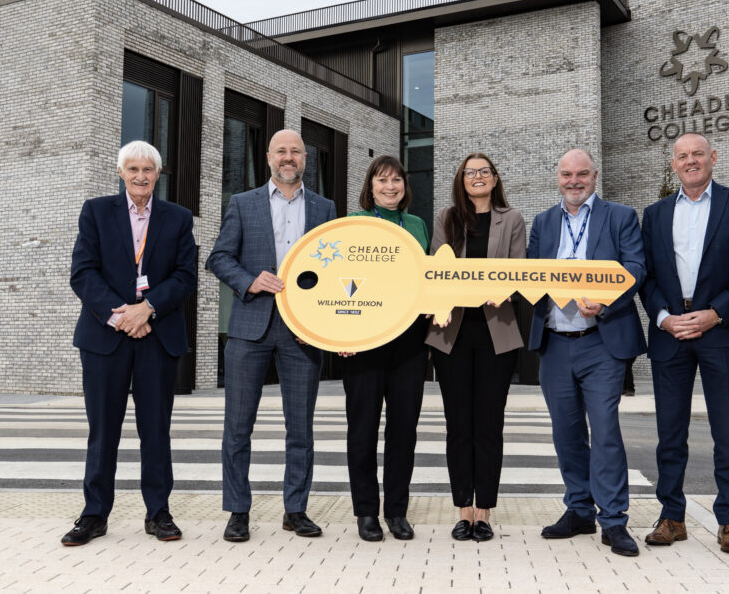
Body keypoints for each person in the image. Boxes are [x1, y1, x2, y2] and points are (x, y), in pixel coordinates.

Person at [206, 129, 336, 543]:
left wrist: (322, 323)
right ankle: (238, 511)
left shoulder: (325, 208)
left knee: (300, 429)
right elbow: (218, 257)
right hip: (250, 328)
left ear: (305, 159)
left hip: (302, 332)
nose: (288, 157)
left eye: (296, 151)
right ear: (268, 158)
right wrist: (250, 280)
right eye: (281, 151)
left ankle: (295, 510)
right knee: (237, 427)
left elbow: (334, 270)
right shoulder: (242, 203)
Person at [64, 140, 196, 546]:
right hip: (105, 336)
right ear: (121, 172)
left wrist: (148, 309)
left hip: (157, 336)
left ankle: (158, 513)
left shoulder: (178, 218)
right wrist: (122, 316)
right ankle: (94, 514)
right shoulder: (96, 211)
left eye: (148, 169)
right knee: (103, 430)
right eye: (133, 169)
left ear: (158, 174)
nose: (141, 176)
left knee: (155, 430)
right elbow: (83, 272)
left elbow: (185, 276)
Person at [639, 132, 729, 555]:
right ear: (673, 164)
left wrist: (716, 313)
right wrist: (663, 318)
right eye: (682, 156)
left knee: (727, 432)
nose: (690, 161)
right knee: (669, 433)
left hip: (722, 330)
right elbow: (646, 275)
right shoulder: (655, 213)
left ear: (713, 157)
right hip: (671, 332)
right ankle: (671, 517)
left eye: (697, 154)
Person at [527, 148, 646, 558]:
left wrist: (606, 300)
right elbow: (531, 272)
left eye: (581, 174)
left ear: (594, 176)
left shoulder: (620, 216)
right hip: (555, 342)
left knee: (606, 430)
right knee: (566, 432)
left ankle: (613, 520)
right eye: (566, 174)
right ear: (558, 177)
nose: (573, 181)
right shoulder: (543, 222)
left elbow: (635, 268)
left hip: (601, 342)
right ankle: (579, 510)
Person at [425, 153, 526, 542]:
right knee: (458, 425)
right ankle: (463, 509)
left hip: (496, 333)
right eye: (471, 172)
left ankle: (483, 511)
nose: (478, 177)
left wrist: (506, 289)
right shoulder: (447, 218)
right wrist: (440, 303)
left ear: (495, 178)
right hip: (451, 334)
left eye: (485, 171)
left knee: (488, 424)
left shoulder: (512, 219)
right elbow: (437, 271)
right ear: (462, 179)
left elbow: (518, 270)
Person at [340, 156, 429, 542]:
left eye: (396, 180)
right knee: (362, 429)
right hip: (364, 341)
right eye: (382, 180)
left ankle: (396, 511)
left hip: (410, 342)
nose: (390, 186)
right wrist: (342, 335)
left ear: (405, 186)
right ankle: (365, 512)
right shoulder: (354, 223)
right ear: (370, 186)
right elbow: (341, 281)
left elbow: (425, 279)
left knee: (404, 430)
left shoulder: (417, 225)